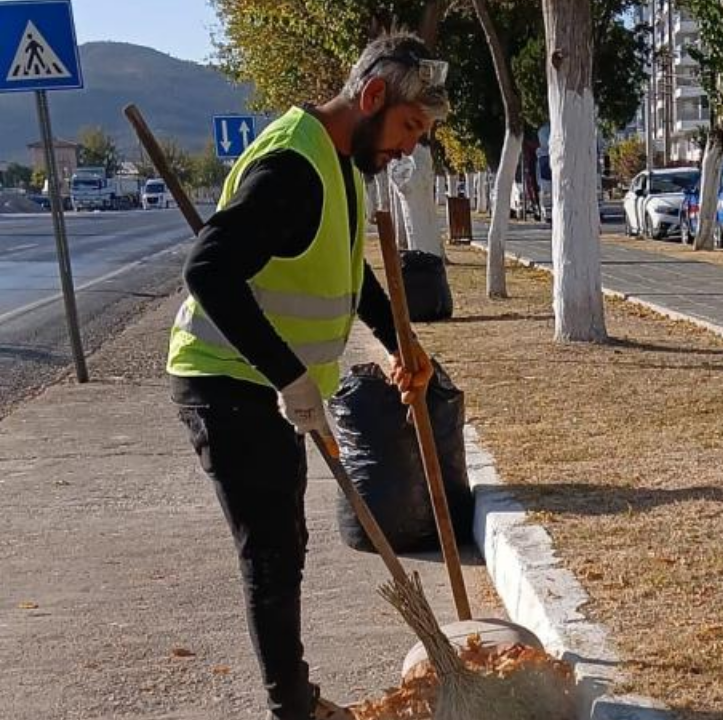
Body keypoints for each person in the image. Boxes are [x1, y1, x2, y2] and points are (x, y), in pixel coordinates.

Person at [167, 32, 449, 720]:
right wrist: (289, 377)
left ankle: (296, 701)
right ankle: (292, 710)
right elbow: (207, 269)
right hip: (228, 384)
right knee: (271, 553)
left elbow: (347, 271)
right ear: (373, 96)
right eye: (411, 127)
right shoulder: (295, 163)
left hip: (262, 388)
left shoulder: (338, 164)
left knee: (283, 544)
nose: (410, 147)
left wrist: (400, 341)